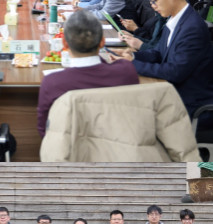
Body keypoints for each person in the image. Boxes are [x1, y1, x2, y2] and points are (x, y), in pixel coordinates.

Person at [110, 0, 213, 127]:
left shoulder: (192, 28)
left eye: (154, 0)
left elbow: (174, 72)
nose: (152, 5)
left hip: (193, 104)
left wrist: (132, 64)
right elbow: (159, 53)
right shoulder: (174, 20)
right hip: (176, 93)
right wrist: (132, 56)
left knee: (129, 115)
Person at [37, 9, 139, 137]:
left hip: (72, 146)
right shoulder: (126, 71)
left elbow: (44, 130)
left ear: (64, 43)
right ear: (102, 42)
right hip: (118, 143)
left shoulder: (52, 82)